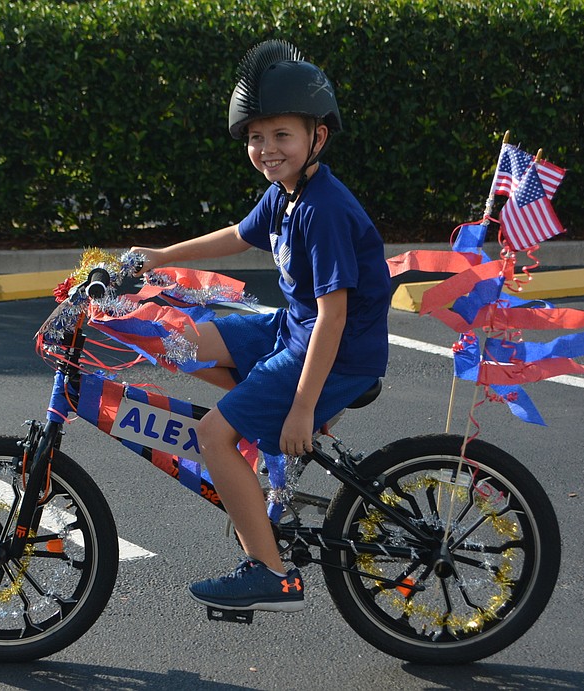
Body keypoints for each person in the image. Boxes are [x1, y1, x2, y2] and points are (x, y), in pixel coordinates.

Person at [130, 39, 391, 613]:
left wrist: (302, 405)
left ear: (316, 137)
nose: (266, 149)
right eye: (256, 137)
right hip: (290, 329)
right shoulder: (287, 192)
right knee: (181, 339)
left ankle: (271, 573)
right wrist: (157, 256)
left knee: (214, 436)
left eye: (281, 136)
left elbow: (335, 315)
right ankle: (269, 427)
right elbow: (237, 235)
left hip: (333, 350)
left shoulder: (324, 209)